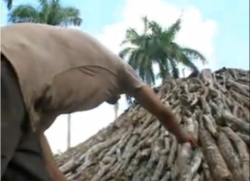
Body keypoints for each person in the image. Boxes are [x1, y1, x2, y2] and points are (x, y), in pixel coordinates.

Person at [0, 23, 197, 181]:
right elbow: (163, 112)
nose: (116, 99)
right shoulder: (122, 71)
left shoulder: (56, 82)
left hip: (15, 82)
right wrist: (182, 136)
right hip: (8, 72)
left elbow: (37, 137)